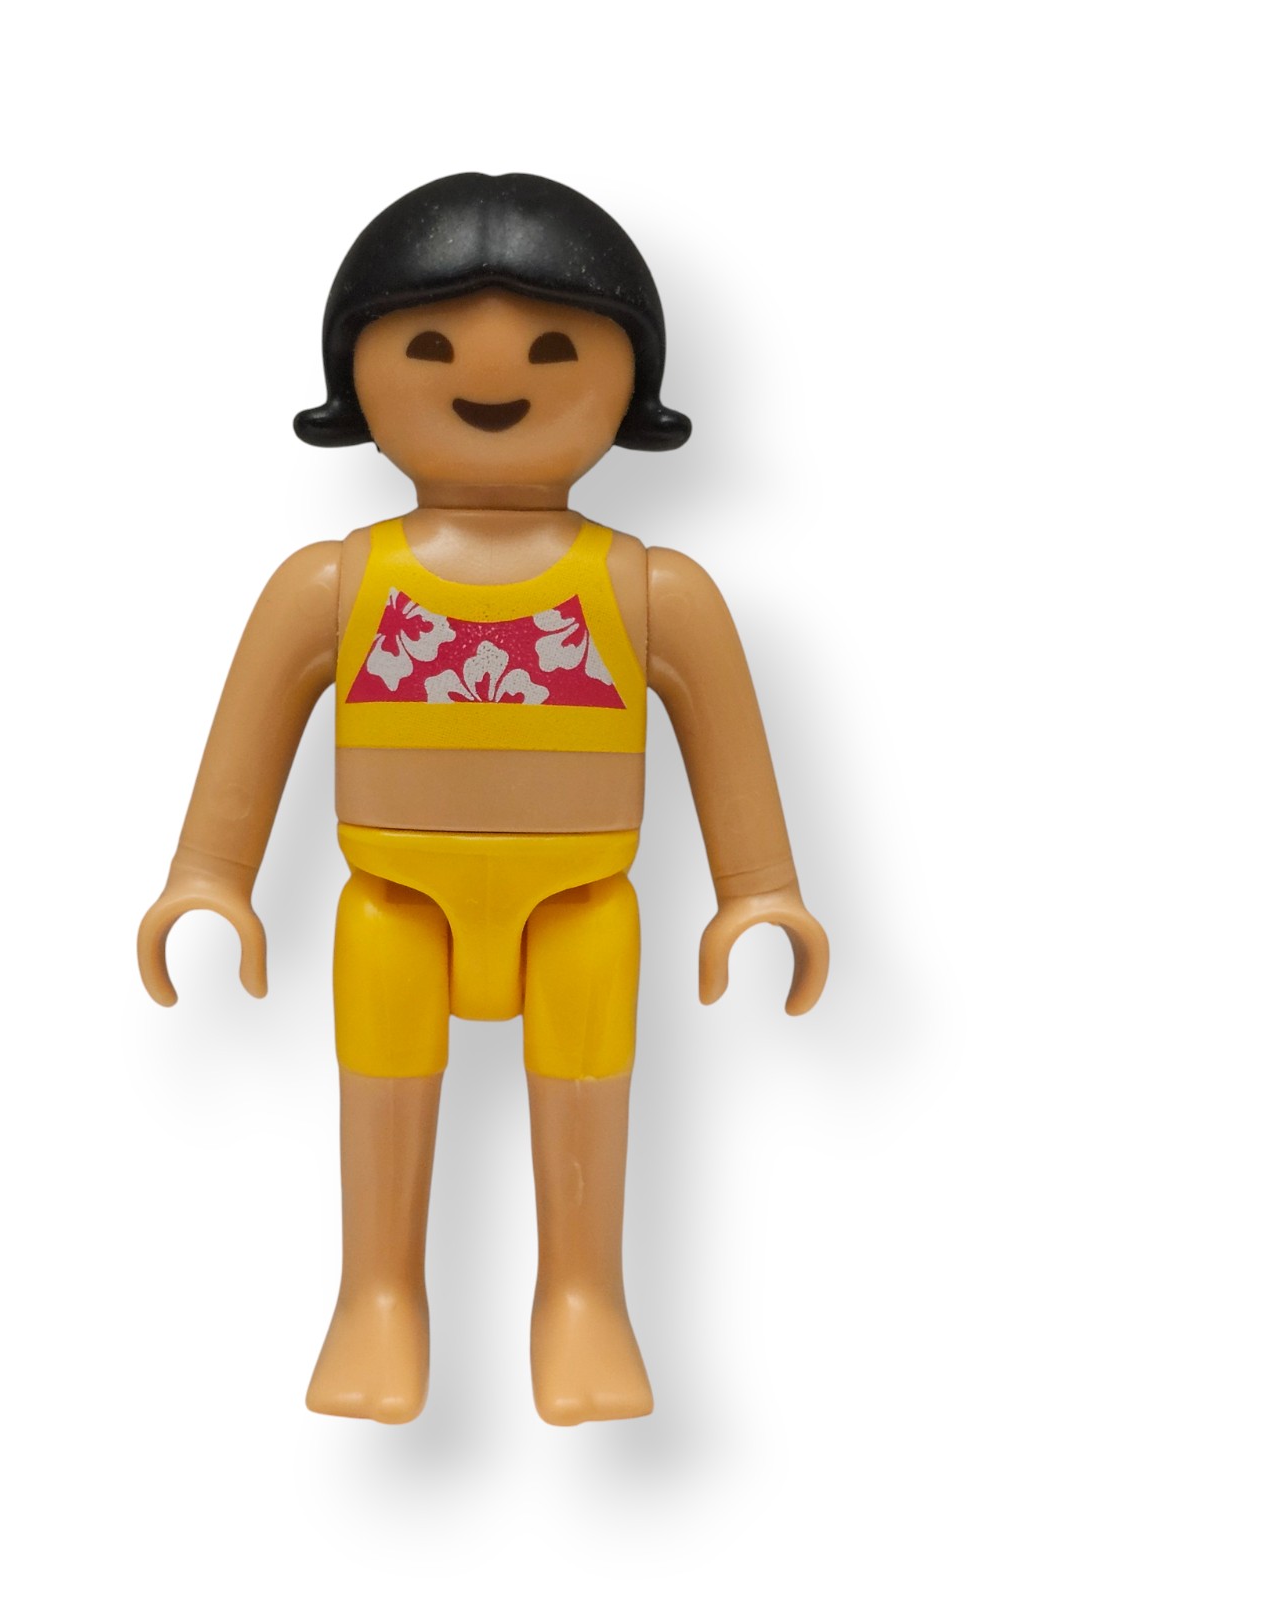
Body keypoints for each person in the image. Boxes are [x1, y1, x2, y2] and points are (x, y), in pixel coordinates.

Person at [137, 172, 829, 1425]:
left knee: (585, 1096)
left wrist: (759, 890)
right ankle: (376, 1298)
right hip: (393, 897)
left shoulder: (650, 590)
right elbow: (250, 735)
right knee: (381, 1087)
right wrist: (209, 876)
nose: (492, 380)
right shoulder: (336, 583)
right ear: (358, 374)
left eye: (556, 350)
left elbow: (727, 741)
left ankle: (584, 1299)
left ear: (630, 380)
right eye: (429, 348)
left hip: (581, 899)